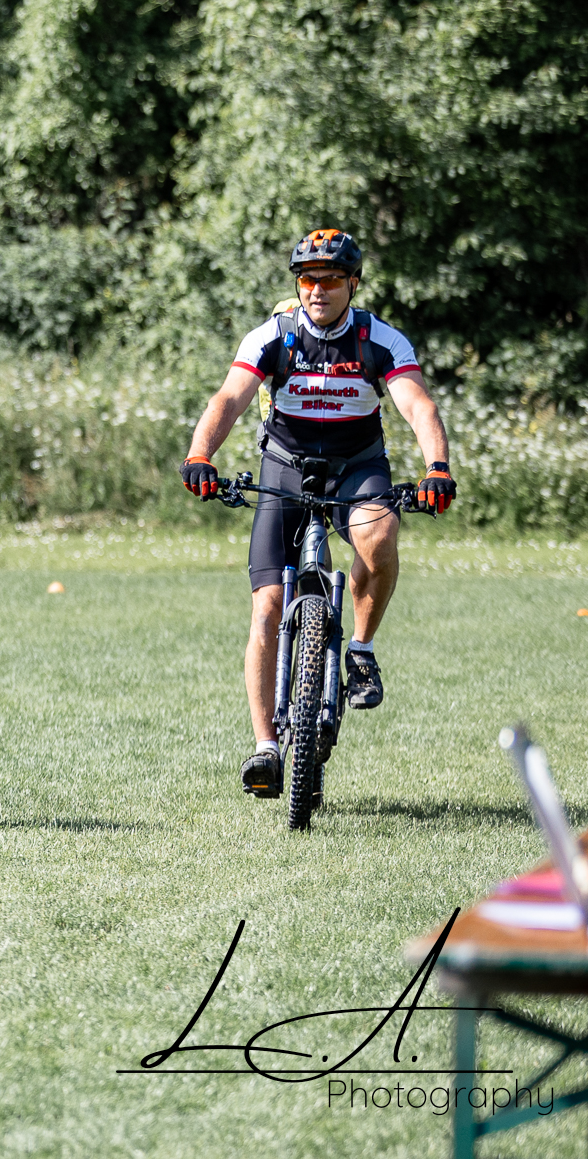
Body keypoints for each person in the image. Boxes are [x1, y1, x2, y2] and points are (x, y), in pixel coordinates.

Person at [179, 229, 455, 800]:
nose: (318, 290)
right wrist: (200, 455)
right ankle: (265, 748)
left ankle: (361, 651)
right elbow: (229, 398)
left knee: (380, 535)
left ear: (353, 284)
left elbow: (416, 404)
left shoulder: (380, 340)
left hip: (357, 466)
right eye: (308, 279)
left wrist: (437, 468)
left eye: (331, 280)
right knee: (266, 607)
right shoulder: (273, 336)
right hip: (285, 466)